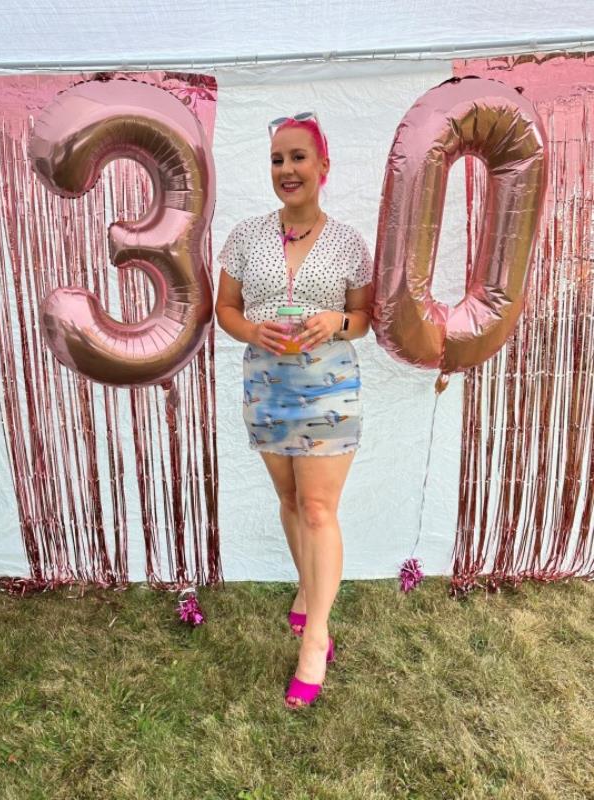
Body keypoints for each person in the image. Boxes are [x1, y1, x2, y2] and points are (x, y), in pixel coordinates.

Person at [215, 111, 373, 709]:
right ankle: (310, 591)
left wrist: (336, 321)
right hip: (266, 386)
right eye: (278, 159)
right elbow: (225, 309)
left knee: (315, 508)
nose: (287, 169)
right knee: (287, 500)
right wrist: (253, 331)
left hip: (329, 386)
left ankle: (316, 637)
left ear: (323, 167)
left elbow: (365, 319)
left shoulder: (349, 242)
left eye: (298, 157)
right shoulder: (246, 236)